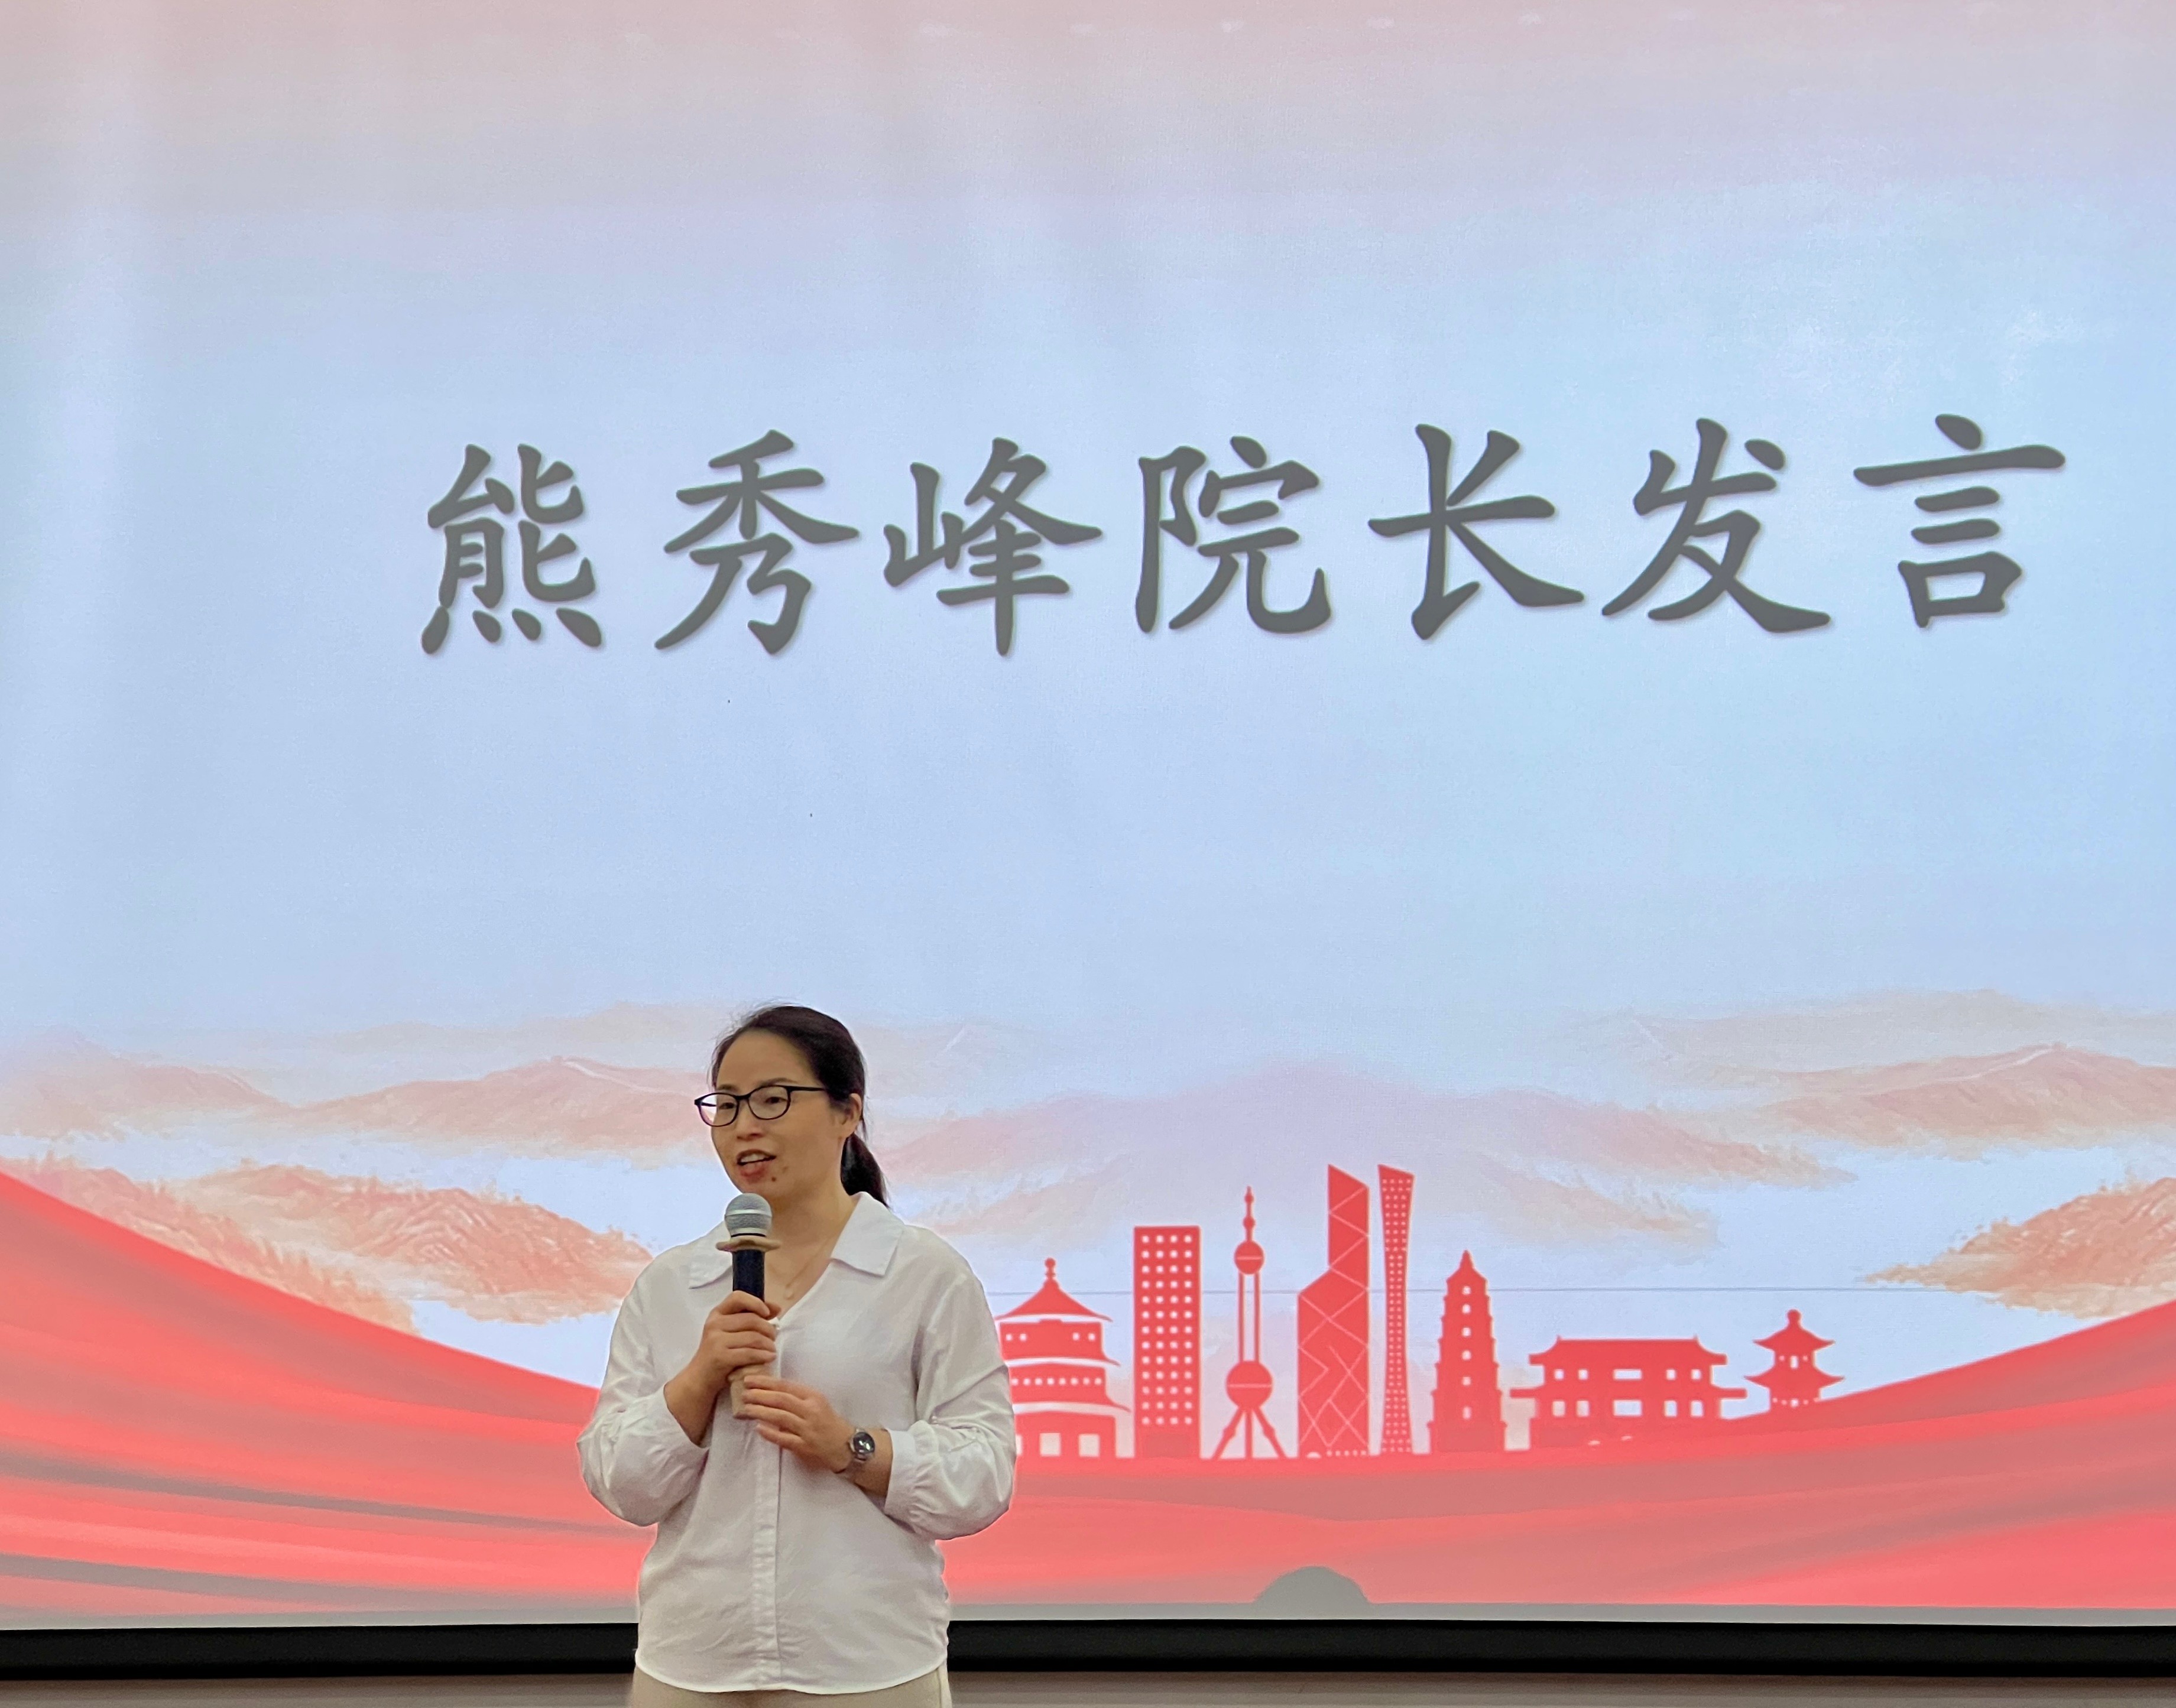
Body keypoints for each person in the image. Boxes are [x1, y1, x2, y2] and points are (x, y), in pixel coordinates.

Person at [579, 1005, 1015, 1706]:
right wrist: (698, 1380)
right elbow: (621, 1483)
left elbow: (985, 1473)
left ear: (848, 1112)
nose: (745, 1126)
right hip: (693, 1664)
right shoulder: (671, 1285)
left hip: (865, 1665)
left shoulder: (924, 1274)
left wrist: (852, 1447)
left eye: (773, 1099)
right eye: (726, 1104)